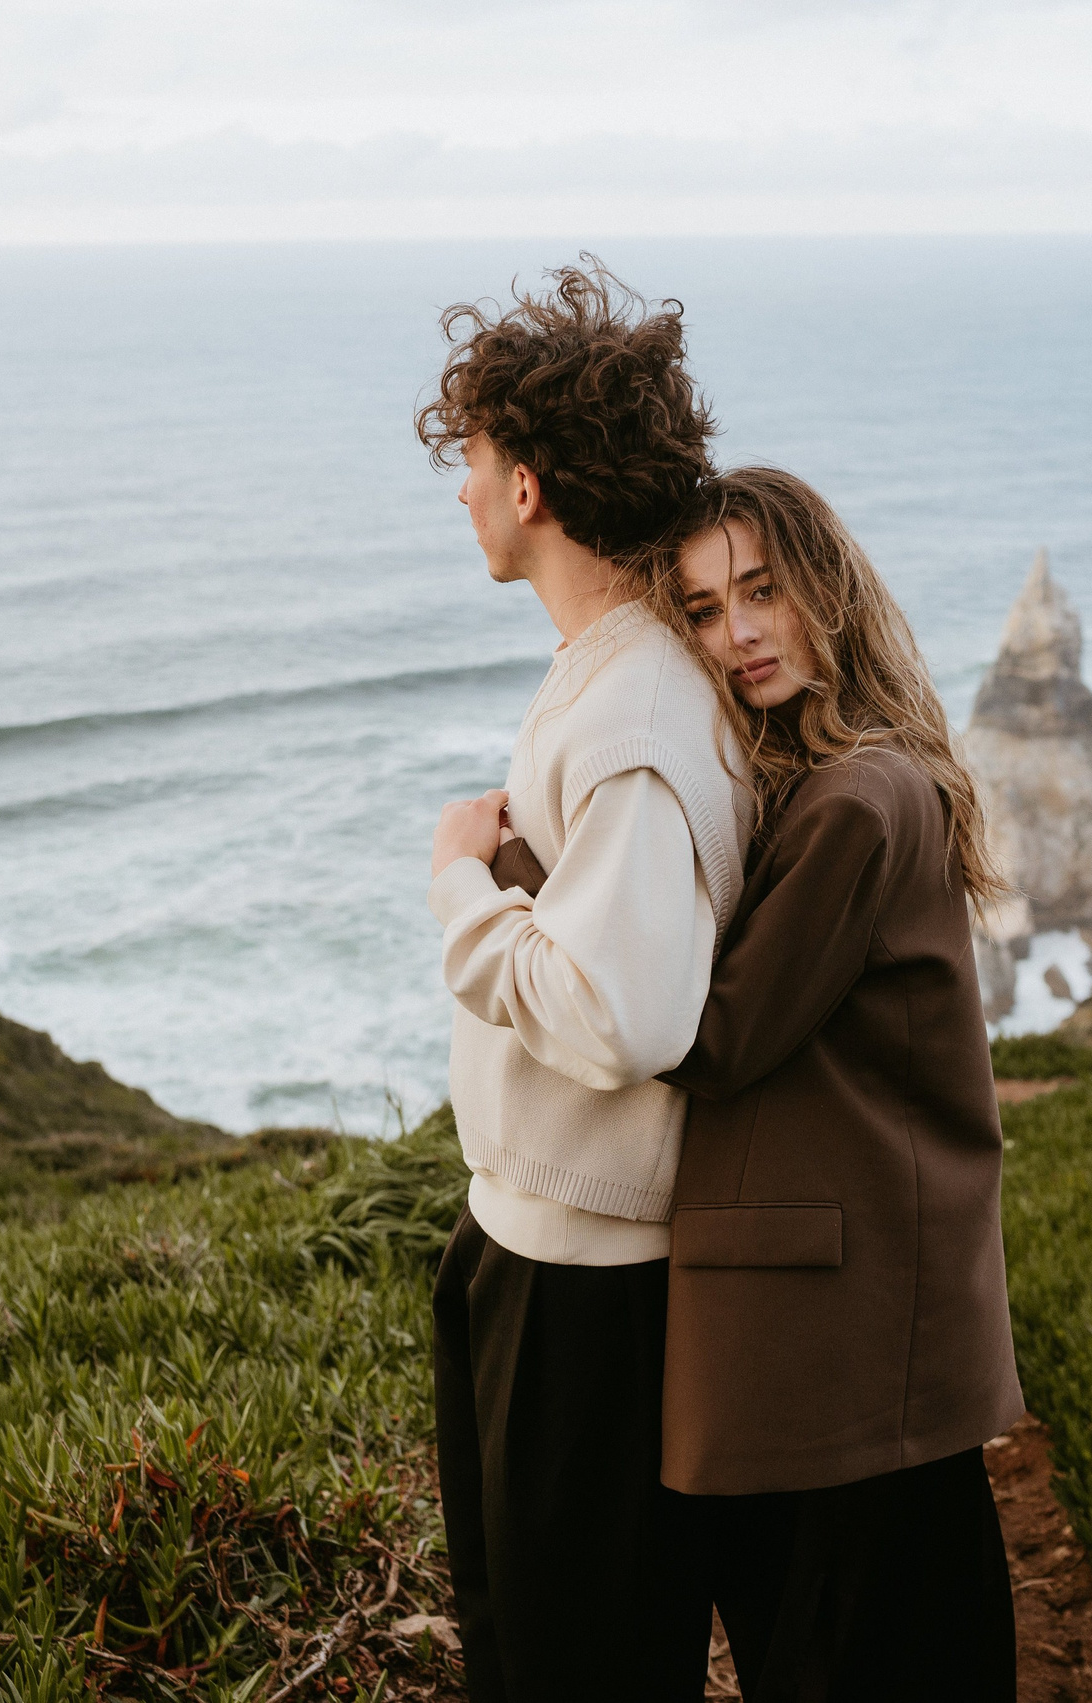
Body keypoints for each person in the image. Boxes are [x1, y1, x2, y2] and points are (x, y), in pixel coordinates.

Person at [415, 260, 749, 1703]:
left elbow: (626, 1014)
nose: (465, 494)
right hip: (536, 1244)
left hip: (591, 1289)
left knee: (578, 1666)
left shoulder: (635, 709)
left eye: (475, 463)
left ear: (532, 485)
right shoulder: (616, 670)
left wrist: (457, 883)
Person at [655, 465, 1025, 1700]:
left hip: (840, 1352)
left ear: (828, 589)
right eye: (702, 610)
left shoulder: (852, 804)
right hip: (875, 1338)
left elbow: (711, 1035)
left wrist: (517, 891)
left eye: (762, 590)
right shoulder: (851, 779)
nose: (738, 632)